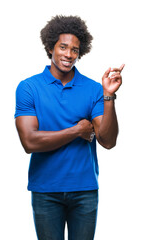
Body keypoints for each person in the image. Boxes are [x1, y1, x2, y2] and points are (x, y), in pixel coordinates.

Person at [15, 15, 125, 240]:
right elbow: (29, 142)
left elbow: (108, 141)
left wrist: (108, 96)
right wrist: (76, 131)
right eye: (63, 47)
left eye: (74, 50)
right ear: (50, 47)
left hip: (84, 190)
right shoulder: (28, 88)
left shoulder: (93, 89)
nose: (68, 54)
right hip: (45, 190)